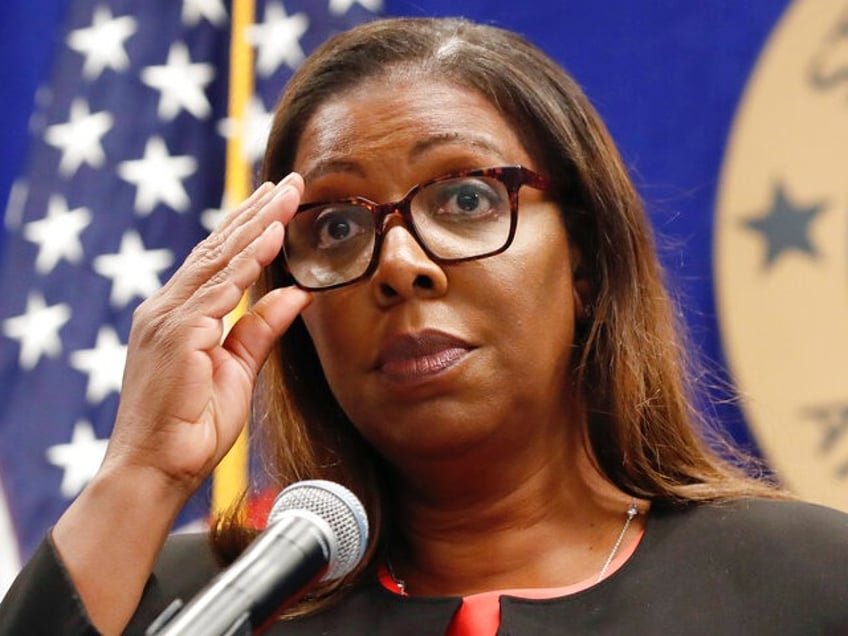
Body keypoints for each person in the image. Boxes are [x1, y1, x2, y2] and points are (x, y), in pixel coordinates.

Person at [1, 16, 846, 636]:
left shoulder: (806, 581)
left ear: (585, 260)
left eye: (468, 199)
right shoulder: (208, 601)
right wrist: (143, 471)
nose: (401, 263)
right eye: (335, 227)